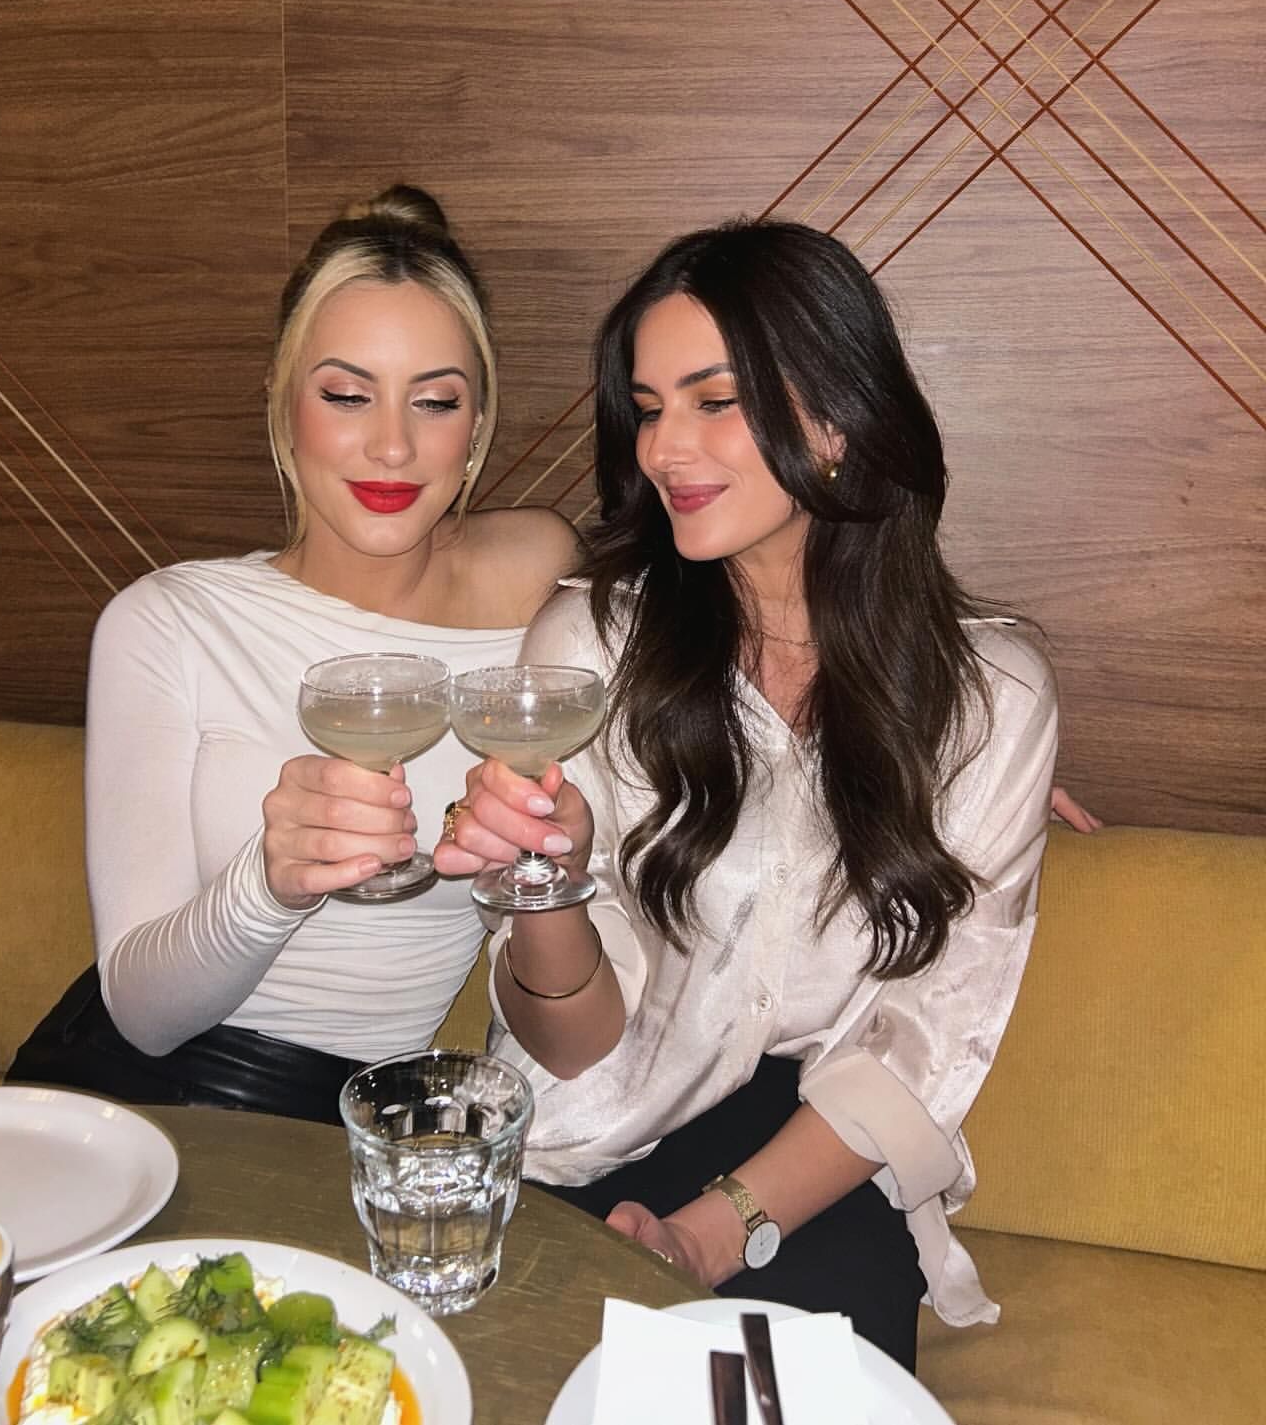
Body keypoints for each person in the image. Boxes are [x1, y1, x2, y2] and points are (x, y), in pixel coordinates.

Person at [436, 218, 1062, 1370]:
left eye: (714, 401)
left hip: (820, 1157)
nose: (664, 446)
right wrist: (548, 885)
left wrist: (711, 1234)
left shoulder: (991, 698)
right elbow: (568, 1047)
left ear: (835, 418)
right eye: (648, 407)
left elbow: (926, 1034)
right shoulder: (588, 649)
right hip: (596, 1125)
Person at [7, 186, 576, 1120]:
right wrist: (269, 881)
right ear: (284, 401)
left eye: (435, 401)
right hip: (139, 1091)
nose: (391, 446)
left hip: (363, 1122)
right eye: (346, 395)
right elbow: (141, 1014)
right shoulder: (169, 621)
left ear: (477, 426)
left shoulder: (536, 591)